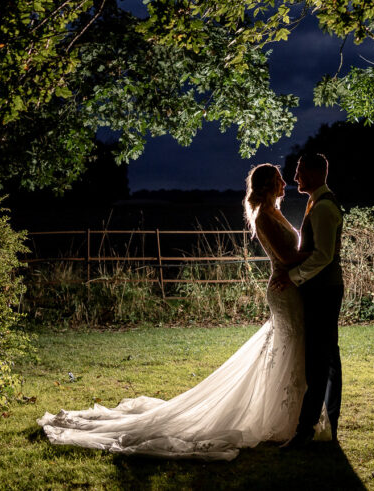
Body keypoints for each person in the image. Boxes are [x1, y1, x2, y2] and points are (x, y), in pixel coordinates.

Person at [36, 163, 326, 460]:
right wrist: (322, 255)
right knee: (290, 347)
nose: (285, 181)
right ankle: (287, 420)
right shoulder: (264, 216)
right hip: (284, 289)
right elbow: (289, 256)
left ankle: (290, 416)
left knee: (290, 349)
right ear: (266, 185)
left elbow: (292, 252)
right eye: (279, 178)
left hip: (289, 287)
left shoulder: (275, 211)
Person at [271, 152, 344, 450]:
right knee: (325, 356)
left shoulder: (325, 207)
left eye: (300, 171)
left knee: (319, 358)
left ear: (315, 173)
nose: (296, 177)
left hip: (324, 290)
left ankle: (306, 430)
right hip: (321, 289)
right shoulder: (318, 202)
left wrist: (293, 276)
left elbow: (324, 256)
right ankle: (323, 424)